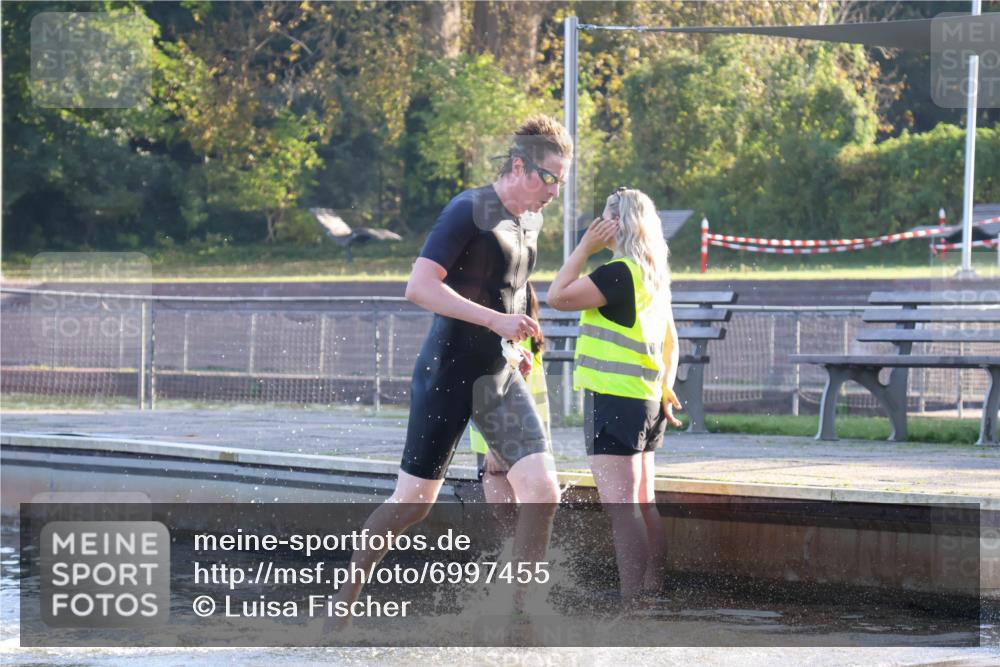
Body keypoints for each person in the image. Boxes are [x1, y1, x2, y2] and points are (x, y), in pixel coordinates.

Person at [325, 115, 572, 630]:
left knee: (543, 490)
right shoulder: (469, 209)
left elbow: (516, 286)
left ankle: (522, 615)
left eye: (562, 183)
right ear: (519, 165)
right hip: (447, 376)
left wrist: (519, 340)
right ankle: (342, 606)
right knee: (412, 505)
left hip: (497, 379)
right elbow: (419, 286)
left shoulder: (532, 220)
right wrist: (493, 320)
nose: (554, 193)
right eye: (549, 179)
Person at [546, 187, 683, 603]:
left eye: (603, 218)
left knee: (622, 509)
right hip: (646, 401)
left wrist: (584, 247)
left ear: (616, 224)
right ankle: (652, 592)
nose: (597, 225)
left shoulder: (617, 272)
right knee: (645, 503)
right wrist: (665, 389)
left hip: (612, 401)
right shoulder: (653, 275)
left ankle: (630, 606)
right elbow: (672, 341)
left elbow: (556, 297)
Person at [470, 282, 551, 505]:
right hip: (518, 433)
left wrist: (494, 448)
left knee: (508, 513)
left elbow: (509, 393)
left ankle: (513, 541)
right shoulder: (525, 335)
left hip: (505, 436)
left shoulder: (511, 340)